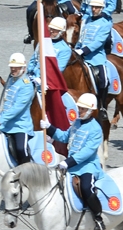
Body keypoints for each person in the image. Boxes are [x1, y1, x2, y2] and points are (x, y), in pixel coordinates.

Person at [40, 93, 105, 230]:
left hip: (87, 166)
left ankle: (98, 217)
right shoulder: (76, 123)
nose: (80, 111)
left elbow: (86, 152)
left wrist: (67, 162)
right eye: (79, 108)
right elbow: (64, 137)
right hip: (71, 165)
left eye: (83, 109)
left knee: (86, 188)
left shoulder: (96, 128)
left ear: (91, 111)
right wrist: (49, 127)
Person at [0, 53, 35, 165]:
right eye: (12, 67)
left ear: (24, 68)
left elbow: (17, 108)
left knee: (21, 149)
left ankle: (28, 172)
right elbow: (7, 103)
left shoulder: (27, 85)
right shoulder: (11, 80)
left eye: (17, 67)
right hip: (5, 125)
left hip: (20, 126)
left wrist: (1, 119)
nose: (13, 69)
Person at [75, 0, 112, 122]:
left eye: (97, 7)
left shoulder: (105, 23)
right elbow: (81, 37)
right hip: (81, 55)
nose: (94, 9)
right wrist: (76, 48)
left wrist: (84, 50)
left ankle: (102, 106)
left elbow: (99, 42)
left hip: (96, 57)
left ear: (101, 8)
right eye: (92, 7)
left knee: (104, 79)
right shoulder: (86, 20)